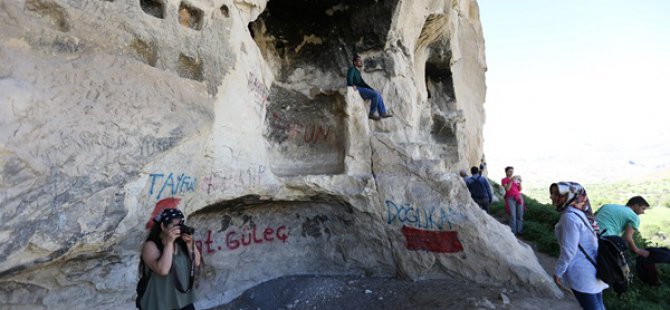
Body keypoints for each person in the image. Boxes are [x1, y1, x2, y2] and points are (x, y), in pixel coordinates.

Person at [550, 182, 608, 310]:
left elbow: (569, 250)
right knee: (598, 305)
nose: (552, 197)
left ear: (569, 196)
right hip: (594, 268)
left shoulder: (569, 218)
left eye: (557, 194)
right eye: (552, 193)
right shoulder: (580, 213)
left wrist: (558, 272)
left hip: (583, 274)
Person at [138, 208, 201, 310]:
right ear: (163, 226)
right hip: (160, 302)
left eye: (179, 225)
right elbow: (163, 270)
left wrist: (190, 243)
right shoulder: (151, 246)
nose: (177, 229)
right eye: (174, 226)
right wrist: (169, 243)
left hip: (183, 300)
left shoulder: (181, 243)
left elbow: (196, 262)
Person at [347, 55, 392, 121]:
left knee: (378, 93)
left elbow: (363, 84)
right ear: (354, 62)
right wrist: (352, 84)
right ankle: (371, 114)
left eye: (361, 60)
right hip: (356, 88)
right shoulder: (352, 69)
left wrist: (371, 89)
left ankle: (382, 113)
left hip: (361, 89)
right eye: (359, 60)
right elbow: (349, 78)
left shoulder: (358, 72)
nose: (361, 62)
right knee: (375, 94)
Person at [501, 166, 524, 235]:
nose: (511, 173)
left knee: (520, 215)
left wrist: (520, 182)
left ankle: (520, 231)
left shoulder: (515, 180)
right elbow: (507, 189)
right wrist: (511, 180)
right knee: (512, 215)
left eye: (512, 171)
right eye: (510, 171)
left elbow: (520, 189)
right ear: (506, 172)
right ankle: (513, 232)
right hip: (510, 198)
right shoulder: (504, 180)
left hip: (518, 197)